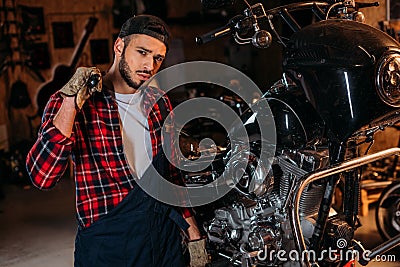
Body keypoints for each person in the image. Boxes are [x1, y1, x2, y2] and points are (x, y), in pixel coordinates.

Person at [26, 14, 201, 266]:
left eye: (157, 58)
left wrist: (192, 230)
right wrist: (71, 103)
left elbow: (171, 176)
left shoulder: (159, 102)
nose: (149, 66)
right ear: (119, 46)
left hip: (164, 238)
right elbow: (42, 177)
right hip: (108, 243)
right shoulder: (75, 102)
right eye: (142, 52)